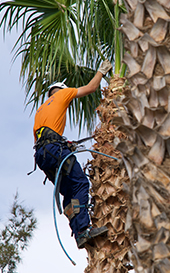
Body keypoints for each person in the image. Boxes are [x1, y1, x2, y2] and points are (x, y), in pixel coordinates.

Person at [32, 59, 112, 249]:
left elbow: (40, 140)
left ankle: (79, 235)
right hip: (54, 150)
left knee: (69, 191)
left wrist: (65, 145)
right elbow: (91, 88)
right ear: (60, 90)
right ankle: (83, 229)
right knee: (81, 183)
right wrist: (101, 71)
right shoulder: (62, 94)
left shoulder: (40, 110)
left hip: (42, 157)